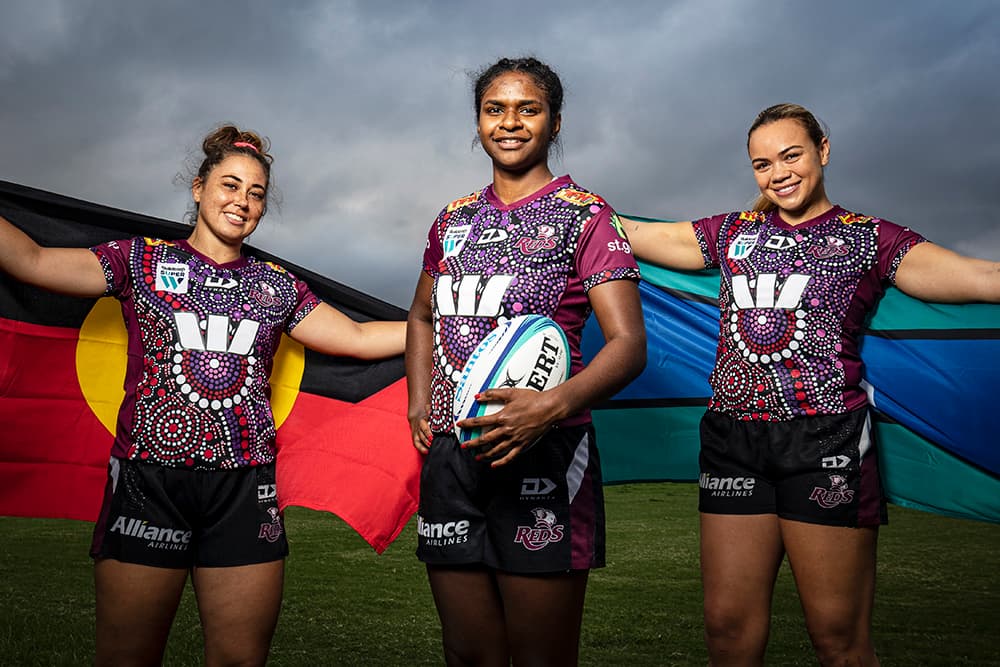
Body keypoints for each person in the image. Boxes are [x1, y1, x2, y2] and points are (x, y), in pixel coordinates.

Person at [0, 125, 406, 666]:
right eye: (230, 185)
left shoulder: (275, 285)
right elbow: (30, 260)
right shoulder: (137, 261)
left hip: (244, 489)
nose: (241, 201)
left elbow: (355, 338)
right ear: (198, 188)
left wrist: (448, 320)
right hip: (149, 483)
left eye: (255, 193)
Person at [623, 103, 1000, 666]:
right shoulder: (730, 233)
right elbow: (627, 234)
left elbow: (978, 277)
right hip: (732, 443)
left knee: (838, 641)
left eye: (791, 155)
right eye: (762, 163)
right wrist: (566, 208)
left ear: (823, 148)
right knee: (727, 633)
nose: (778, 173)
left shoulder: (869, 239)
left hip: (826, 443)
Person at [405, 57, 646, 666]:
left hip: (545, 455)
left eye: (527, 109)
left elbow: (629, 346)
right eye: (495, 109)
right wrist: (417, 402)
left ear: (554, 122)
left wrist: (549, 408)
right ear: (478, 122)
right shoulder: (453, 220)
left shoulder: (586, 215)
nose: (510, 122)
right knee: (468, 652)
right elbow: (421, 317)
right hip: (452, 462)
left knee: (541, 657)